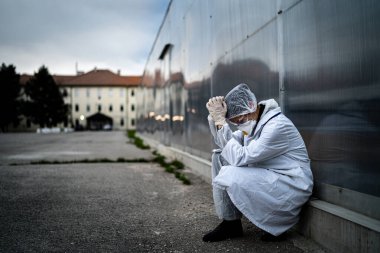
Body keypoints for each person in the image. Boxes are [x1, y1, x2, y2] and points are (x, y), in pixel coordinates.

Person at [203, 83, 313, 242]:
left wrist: (221, 121)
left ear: (250, 106)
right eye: (236, 122)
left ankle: (278, 223)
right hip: (271, 177)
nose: (239, 124)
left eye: (240, 120)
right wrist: (215, 118)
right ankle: (231, 223)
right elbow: (226, 146)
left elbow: (240, 157)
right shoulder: (254, 122)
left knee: (230, 171)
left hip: (290, 183)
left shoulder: (277, 125)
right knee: (220, 156)